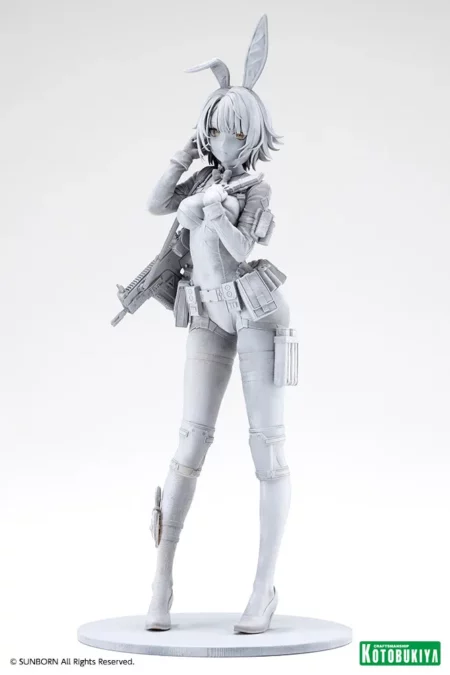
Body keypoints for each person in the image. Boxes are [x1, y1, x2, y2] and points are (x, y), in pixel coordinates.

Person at [145, 15, 295, 634]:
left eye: (229, 130)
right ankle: (161, 579)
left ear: (249, 133)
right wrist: (186, 159)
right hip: (207, 311)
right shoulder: (205, 173)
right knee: (190, 442)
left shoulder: (256, 189)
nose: (219, 139)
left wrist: (211, 214)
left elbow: (241, 249)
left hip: (256, 309)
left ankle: (263, 588)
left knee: (268, 450)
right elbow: (156, 203)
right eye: (211, 127)